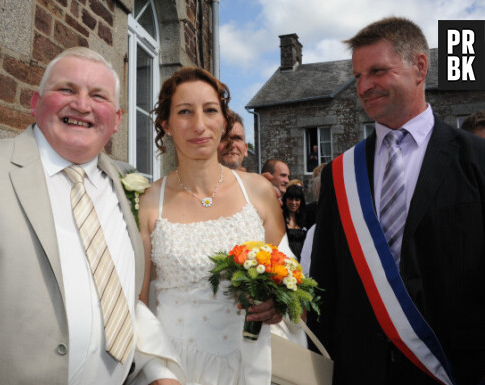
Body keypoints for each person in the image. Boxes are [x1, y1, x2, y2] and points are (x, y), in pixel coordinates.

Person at [0, 47, 182, 385]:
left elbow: (118, 302)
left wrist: (155, 371)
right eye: (66, 89)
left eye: (98, 95)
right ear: (35, 104)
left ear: (117, 120)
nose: (82, 105)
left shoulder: (128, 189)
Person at [308, 17, 485, 385]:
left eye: (377, 71)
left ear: (419, 67)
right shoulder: (341, 174)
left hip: (455, 368)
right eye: (358, 76)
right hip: (360, 371)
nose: (364, 86)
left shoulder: (476, 159)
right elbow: (325, 285)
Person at [138, 67, 288, 385]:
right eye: (184, 112)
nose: (199, 125)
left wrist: (279, 303)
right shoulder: (149, 202)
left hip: (252, 364)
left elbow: (288, 280)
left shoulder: (259, 192)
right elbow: (137, 306)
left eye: (209, 111)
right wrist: (158, 375)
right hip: (177, 368)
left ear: (223, 120)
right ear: (166, 124)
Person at [282, 184, 308, 260]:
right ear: (285, 199)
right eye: (290, 199)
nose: (294, 203)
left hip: (302, 258)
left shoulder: (305, 218)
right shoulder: (280, 217)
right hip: (285, 257)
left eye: (297, 200)